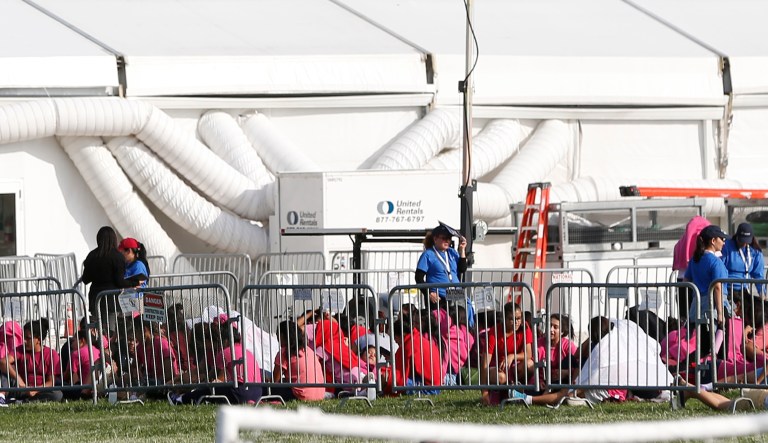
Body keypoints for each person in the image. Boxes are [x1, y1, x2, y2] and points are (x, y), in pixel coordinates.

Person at [682, 224, 730, 359]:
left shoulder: (695, 259)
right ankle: (717, 373)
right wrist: (720, 314)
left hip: (697, 307)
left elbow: (686, 280)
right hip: (714, 307)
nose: (724, 241)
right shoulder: (715, 262)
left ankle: (703, 375)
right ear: (713, 241)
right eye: (722, 238)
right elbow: (718, 287)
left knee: (703, 345)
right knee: (720, 348)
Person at [81, 226, 143, 326]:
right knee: (110, 329)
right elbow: (120, 281)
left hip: (95, 297)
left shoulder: (91, 255)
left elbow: (85, 279)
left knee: (99, 328)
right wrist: (135, 282)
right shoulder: (117, 256)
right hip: (111, 299)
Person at [480, 302, 534, 405]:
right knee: (501, 377)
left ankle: (518, 392)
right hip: (497, 368)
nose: (516, 322)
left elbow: (528, 354)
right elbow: (485, 363)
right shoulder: (494, 331)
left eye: (518, 318)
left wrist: (512, 356)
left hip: (515, 367)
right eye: (512, 319)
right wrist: (484, 392)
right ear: (504, 318)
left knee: (530, 364)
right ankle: (499, 393)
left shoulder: (525, 327)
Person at [0, 318, 63, 403]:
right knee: (6, 369)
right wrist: (21, 383)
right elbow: (3, 362)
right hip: (20, 389)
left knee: (57, 394)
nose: (24, 341)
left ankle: (22, 402)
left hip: (39, 391)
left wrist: (35, 390)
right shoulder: (19, 350)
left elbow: (50, 382)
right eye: (24, 337)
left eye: (28, 338)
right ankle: (2, 397)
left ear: (39, 339)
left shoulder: (51, 354)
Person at [415, 223, 468, 307]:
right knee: (444, 319)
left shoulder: (452, 252)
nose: (447, 241)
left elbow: (462, 269)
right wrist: (429, 293)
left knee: (465, 314)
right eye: (444, 238)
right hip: (439, 295)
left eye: (449, 238)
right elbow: (418, 278)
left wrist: (462, 250)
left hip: (456, 293)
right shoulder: (428, 254)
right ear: (435, 239)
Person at [271, 320, 325, 402]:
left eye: (278, 335)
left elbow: (274, 381)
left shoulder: (285, 352)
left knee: (263, 389)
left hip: (301, 395)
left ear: (282, 335)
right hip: (320, 394)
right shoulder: (308, 350)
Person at [673, 216, 711, 320]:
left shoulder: (679, 244)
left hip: (681, 282)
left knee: (684, 317)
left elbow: (675, 266)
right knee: (698, 316)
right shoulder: (699, 241)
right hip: (697, 282)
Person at [721, 222, 765, 297]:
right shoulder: (726, 247)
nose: (744, 243)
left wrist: (762, 292)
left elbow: (758, 275)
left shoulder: (755, 252)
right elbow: (720, 270)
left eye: (747, 241)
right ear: (737, 236)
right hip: (728, 289)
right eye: (741, 240)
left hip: (744, 290)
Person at [535, 314, 578, 387]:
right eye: (549, 326)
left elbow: (580, 367)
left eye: (555, 327)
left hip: (563, 382)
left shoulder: (568, 345)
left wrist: (567, 372)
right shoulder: (538, 343)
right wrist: (539, 381)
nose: (551, 329)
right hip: (543, 383)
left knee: (569, 359)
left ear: (562, 331)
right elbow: (533, 367)